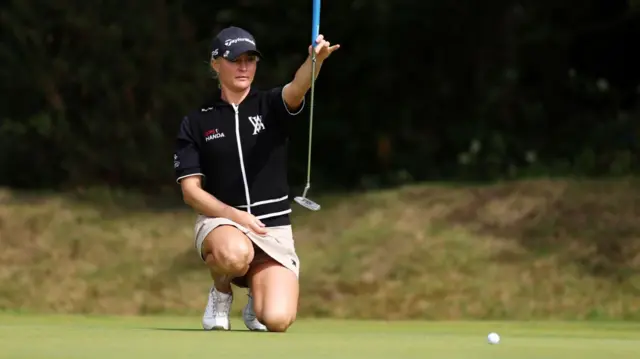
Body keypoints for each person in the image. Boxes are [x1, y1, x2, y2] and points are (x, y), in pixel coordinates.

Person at [173, 26, 339, 332]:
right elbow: (191, 193)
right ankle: (221, 293)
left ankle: (256, 299)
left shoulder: (271, 106)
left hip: (271, 230)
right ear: (215, 63)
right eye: (235, 59)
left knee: (276, 319)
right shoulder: (198, 121)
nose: (243, 67)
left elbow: (297, 88)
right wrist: (236, 216)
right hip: (221, 223)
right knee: (234, 254)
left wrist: (314, 63)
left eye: (250, 59)